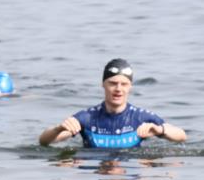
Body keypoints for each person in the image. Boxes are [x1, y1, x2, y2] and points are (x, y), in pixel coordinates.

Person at [38, 58, 186, 148]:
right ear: (103, 84)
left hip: (130, 168)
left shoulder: (141, 118)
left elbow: (181, 136)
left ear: (130, 87)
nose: (118, 89)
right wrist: (58, 128)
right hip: (96, 171)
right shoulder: (87, 118)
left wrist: (159, 131)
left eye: (124, 84)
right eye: (113, 83)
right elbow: (44, 142)